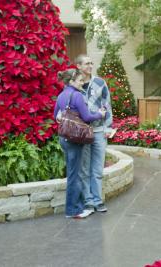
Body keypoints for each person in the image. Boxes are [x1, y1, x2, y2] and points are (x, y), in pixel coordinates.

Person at [54, 69, 107, 219]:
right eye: (79, 81)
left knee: (72, 174)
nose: (82, 83)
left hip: (64, 138)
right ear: (71, 81)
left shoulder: (61, 95)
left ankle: (73, 208)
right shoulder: (76, 95)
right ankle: (73, 210)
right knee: (74, 176)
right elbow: (87, 117)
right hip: (75, 139)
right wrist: (100, 114)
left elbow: (55, 116)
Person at [76, 54, 113, 213]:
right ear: (78, 66)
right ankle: (88, 201)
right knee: (84, 169)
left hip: (98, 132)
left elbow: (107, 104)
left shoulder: (100, 83)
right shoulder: (75, 84)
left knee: (97, 169)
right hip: (82, 132)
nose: (90, 66)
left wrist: (107, 127)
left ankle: (98, 201)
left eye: (91, 63)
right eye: (86, 63)